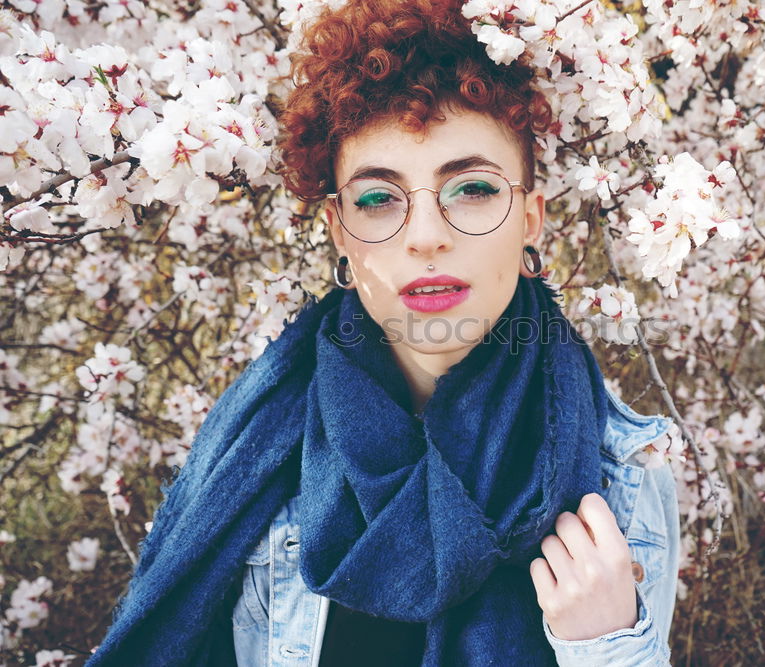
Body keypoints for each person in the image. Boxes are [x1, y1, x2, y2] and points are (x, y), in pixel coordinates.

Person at [86, 0, 681, 665]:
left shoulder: (620, 468)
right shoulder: (258, 450)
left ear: (531, 219)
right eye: (377, 199)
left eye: (473, 189)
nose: (426, 236)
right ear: (341, 232)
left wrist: (605, 647)